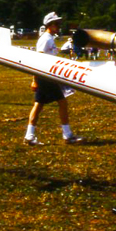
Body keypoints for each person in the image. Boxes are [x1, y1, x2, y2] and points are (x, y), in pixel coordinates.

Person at [23, 12, 84, 146]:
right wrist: (34, 79)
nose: (58, 26)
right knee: (62, 103)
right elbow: (38, 59)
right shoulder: (46, 39)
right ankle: (67, 135)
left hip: (45, 76)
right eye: (56, 24)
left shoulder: (49, 38)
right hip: (46, 76)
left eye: (59, 24)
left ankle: (29, 135)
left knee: (38, 105)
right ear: (49, 25)